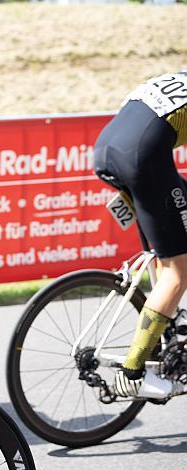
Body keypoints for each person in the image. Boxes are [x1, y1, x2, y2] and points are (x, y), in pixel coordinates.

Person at [94, 70, 187, 396]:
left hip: (106, 150)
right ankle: (132, 373)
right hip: (142, 159)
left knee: (171, 243)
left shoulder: (176, 78)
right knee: (179, 272)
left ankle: (168, 325)